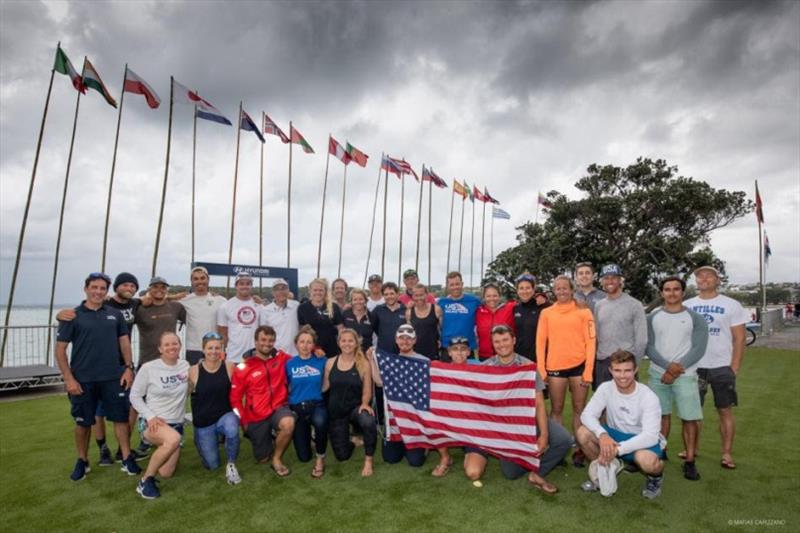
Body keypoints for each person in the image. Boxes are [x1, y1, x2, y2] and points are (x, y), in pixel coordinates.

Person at [463, 325, 571, 493]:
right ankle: (529, 453)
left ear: (513, 340)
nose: (502, 345)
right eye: (497, 342)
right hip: (505, 424)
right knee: (511, 472)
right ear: (492, 344)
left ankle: (537, 472)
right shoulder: (486, 368)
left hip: (529, 418)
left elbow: (539, 403)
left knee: (564, 439)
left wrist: (544, 434)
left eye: (505, 339)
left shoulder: (528, 367)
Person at [55, 272, 140, 481]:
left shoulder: (114, 315)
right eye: (94, 287)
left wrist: (128, 368)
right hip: (82, 380)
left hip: (113, 377)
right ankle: (82, 461)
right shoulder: (72, 316)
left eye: (102, 288)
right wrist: (69, 379)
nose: (98, 292)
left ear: (106, 291)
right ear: (86, 288)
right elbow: (60, 350)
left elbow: (125, 343)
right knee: (83, 422)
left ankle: (127, 458)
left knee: (120, 419)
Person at [576, 350, 665, 499]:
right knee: (582, 433)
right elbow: (587, 415)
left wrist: (618, 450)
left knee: (647, 462)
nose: (622, 376)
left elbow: (650, 436)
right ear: (611, 370)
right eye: (617, 370)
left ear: (635, 370)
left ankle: (656, 477)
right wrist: (602, 434)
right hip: (613, 435)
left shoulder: (648, 397)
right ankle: (602, 473)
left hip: (640, 440)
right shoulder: (605, 388)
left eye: (627, 371)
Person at [684, 265, 749, 470]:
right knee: (693, 412)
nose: (704, 279)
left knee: (725, 411)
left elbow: (739, 339)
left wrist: (734, 367)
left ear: (717, 280)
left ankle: (727, 453)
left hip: (722, 366)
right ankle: (692, 449)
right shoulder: (687, 305)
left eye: (708, 276)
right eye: (700, 276)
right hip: (695, 366)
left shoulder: (731, 305)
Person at [646, 276, 708, 480]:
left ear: (683, 292)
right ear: (661, 293)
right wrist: (667, 367)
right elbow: (649, 346)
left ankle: (690, 460)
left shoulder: (695, 318)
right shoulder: (653, 317)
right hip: (658, 374)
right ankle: (660, 454)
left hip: (685, 375)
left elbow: (698, 349)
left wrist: (674, 370)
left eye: (675, 289)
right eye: (667, 289)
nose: (671, 293)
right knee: (661, 416)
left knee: (689, 419)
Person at [536, 275, 596, 467]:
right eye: (558, 288)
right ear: (554, 291)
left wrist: (588, 371)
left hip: (579, 368)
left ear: (572, 289)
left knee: (580, 409)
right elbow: (540, 342)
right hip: (555, 368)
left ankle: (580, 449)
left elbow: (591, 342)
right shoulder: (547, 313)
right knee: (556, 410)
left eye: (565, 288)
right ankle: (558, 450)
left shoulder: (584, 312)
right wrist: (542, 370)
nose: (561, 291)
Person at [129, 332, 191, 499]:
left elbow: (192, 387)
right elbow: (134, 396)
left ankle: (162, 448)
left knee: (166, 473)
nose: (172, 347)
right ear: (160, 348)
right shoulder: (149, 368)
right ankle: (145, 481)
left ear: (180, 345)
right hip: (153, 422)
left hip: (176, 424)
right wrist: (150, 416)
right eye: (167, 344)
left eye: (175, 343)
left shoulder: (185, 366)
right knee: (172, 440)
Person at [230, 326, 295, 476]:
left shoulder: (281, 357)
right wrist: (243, 421)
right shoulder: (243, 366)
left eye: (271, 340)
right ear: (256, 341)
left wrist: (316, 348)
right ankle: (270, 438)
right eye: (263, 340)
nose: (267, 343)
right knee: (262, 458)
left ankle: (277, 459)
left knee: (288, 424)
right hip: (256, 415)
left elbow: (301, 358)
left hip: (279, 408)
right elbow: (235, 399)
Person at [369, 324, 428, 467]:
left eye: (409, 339)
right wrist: (371, 359)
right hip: (396, 418)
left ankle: (424, 445)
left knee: (416, 462)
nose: (405, 342)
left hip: (415, 420)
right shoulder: (390, 362)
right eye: (402, 338)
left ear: (414, 341)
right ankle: (401, 442)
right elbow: (378, 383)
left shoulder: (424, 361)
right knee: (390, 458)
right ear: (396, 340)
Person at [188, 332, 241, 485]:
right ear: (203, 350)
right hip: (204, 422)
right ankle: (206, 440)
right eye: (210, 348)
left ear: (222, 350)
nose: (214, 351)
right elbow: (180, 395)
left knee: (232, 427)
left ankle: (231, 463)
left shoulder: (229, 366)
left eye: (218, 348)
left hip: (225, 415)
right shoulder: (193, 371)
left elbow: (246, 379)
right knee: (212, 465)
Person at [324, 328, 377, 477]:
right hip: (336, 412)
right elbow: (324, 387)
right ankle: (353, 440)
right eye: (343, 340)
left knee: (368, 420)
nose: (347, 344)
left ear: (356, 343)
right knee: (342, 456)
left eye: (350, 340)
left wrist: (365, 404)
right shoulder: (329, 363)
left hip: (355, 408)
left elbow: (367, 391)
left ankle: (368, 460)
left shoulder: (364, 363)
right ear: (339, 343)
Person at [429, 337, 479, 478]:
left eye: (463, 349)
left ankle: (473, 451)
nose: (459, 353)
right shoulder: (441, 369)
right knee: (432, 418)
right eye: (455, 349)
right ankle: (445, 457)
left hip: (472, 423)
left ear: (469, 352)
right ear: (449, 352)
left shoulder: (479, 368)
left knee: (473, 473)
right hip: (450, 420)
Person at [593, 264, 647, 389]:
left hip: (626, 363)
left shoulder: (635, 305)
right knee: (604, 405)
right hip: (603, 362)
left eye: (614, 278)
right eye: (606, 278)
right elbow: (596, 335)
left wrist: (634, 364)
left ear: (620, 280)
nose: (610, 281)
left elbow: (642, 340)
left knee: (627, 404)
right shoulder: (599, 305)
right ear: (601, 282)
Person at [285, 326, 328, 478]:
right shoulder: (289, 363)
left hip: (316, 404)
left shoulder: (322, 360)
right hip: (297, 407)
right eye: (302, 342)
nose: (305, 345)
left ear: (314, 345)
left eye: (309, 342)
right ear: (296, 344)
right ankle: (310, 438)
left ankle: (320, 458)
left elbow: (328, 381)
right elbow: (285, 386)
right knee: (303, 457)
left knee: (321, 422)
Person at [134, 276, 186, 367]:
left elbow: (194, 319)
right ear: (149, 289)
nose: (159, 290)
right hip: (147, 362)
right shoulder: (139, 309)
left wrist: (210, 295)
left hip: (171, 361)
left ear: (166, 290)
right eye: (155, 287)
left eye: (163, 287)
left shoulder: (176, 307)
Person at [179, 266, 227, 365]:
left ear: (208, 280)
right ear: (191, 281)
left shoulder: (220, 300)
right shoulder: (184, 300)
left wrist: (256, 301)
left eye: (202, 278)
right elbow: (161, 300)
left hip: (215, 348)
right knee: (194, 380)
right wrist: (173, 296)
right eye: (195, 279)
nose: (199, 281)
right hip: (193, 349)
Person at [217, 272, 264, 363]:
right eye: (241, 284)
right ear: (236, 286)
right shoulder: (225, 306)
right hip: (233, 357)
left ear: (251, 286)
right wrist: (221, 354)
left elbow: (264, 331)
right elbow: (223, 334)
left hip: (255, 356)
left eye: (248, 284)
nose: (245, 286)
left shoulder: (259, 306)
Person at [438, 271, 481, 361]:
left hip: (467, 348)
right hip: (447, 348)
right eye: (452, 285)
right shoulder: (441, 302)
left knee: (469, 375)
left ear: (462, 284)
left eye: (457, 284)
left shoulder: (474, 301)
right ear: (447, 286)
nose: (455, 287)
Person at [298, 278, 344, 358]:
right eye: (315, 290)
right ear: (310, 291)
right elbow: (302, 332)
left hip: (332, 350)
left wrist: (342, 346)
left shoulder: (334, 307)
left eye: (321, 290)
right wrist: (314, 348)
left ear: (325, 291)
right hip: (311, 351)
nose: (318, 293)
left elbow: (341, 329)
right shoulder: (303, 308)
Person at [512, 272, 550, 361]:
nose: (524, 291)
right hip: (520, 359)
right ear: (517, 291)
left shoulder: (544, 307)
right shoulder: (515, 309)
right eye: (521, 288)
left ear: (533, 289)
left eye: (528, 288)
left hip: (540, 359)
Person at [475, 283, 516, 360]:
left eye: (495, 295)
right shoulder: (478, 311)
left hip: (505, 356)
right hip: (484, 357)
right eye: (488, 296)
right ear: (484, 297)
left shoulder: (510, 308)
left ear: (499, 296)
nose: (492, 299)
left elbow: (526, 302)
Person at [261, 278, 300, 354]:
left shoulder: (296, 305)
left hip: (295, 354)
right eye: (277, 289)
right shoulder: (265, 310)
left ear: (288, 290)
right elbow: (264, 335)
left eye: (283, 288)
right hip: (275, 356)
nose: (281, 292)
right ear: (273, 292)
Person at [405, 283, 442, 360]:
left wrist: (440, 340)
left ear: (426, 295)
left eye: (421, 295)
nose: (419, 298)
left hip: (433, 352)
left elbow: (442, 329)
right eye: (416, 295)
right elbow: (409, 334)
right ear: (412, 296)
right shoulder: (409, 312)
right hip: (415, 353)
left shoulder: (436, 309)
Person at [370, 282, 407, 354]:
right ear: (383, 296)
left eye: (392, 293)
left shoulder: (405, 310)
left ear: (397, 294)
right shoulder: (378, 310)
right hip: (383, 353)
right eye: (386, 294)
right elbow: (372, 326)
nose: (389, 296)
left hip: (402, 352)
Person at [342, 288, 374, 353]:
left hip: (366, 354)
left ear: (365, 300)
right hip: (349, 352)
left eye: (361, 299)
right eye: (355, 300)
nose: (358, 302)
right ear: (351, 301)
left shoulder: (372, 316)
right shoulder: (345, 314)